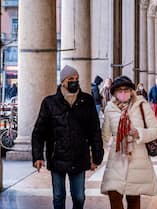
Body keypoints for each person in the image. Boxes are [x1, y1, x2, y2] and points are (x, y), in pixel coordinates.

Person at [32, 65, 104, 209]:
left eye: (76, 79)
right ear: (63, 81)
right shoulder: (49, 102)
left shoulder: (87, 101)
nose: (74, 82)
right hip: (56, 156)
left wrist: (96, 157)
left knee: (79, 197)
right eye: (71, 79)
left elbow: (94, 131)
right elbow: (39, 132)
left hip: (79, 156)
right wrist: (37, 156)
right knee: (58, 196)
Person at [101, 75, 157, 209]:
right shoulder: (110, 108)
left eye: (126, 90)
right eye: (119, 90)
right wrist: (95, 156)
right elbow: (105, 135)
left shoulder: (141, 106)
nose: (123, 93)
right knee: (114, 194)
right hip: (116, 159)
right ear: (114, 92)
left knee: (133, 198)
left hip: (137, 158)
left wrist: (139, 132)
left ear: (131, 91)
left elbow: (156, 130)